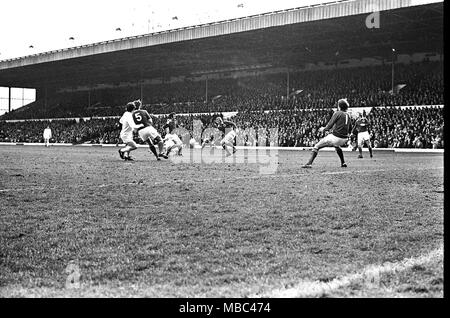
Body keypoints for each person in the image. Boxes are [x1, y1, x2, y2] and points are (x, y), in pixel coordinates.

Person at [302, 98, 352, 168]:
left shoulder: (337, 113)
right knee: (337, 147)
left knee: (316, 146)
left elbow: (329, 125)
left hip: (335, 138)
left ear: (339, 106)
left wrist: (323, 129)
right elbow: (350, 128)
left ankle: (309, 163)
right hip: (344, 139)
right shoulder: (348, 115)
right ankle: (343, 163)